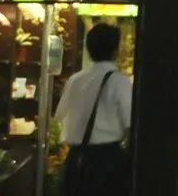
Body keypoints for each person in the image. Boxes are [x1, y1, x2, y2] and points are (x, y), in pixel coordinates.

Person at [55, 23, 134, 196]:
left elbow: (59, 116)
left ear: (89, 50)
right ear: (115, 50)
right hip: (107, 162)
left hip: (76, 160)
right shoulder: (120, 82)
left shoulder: (75, 80)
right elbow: (131, 125)